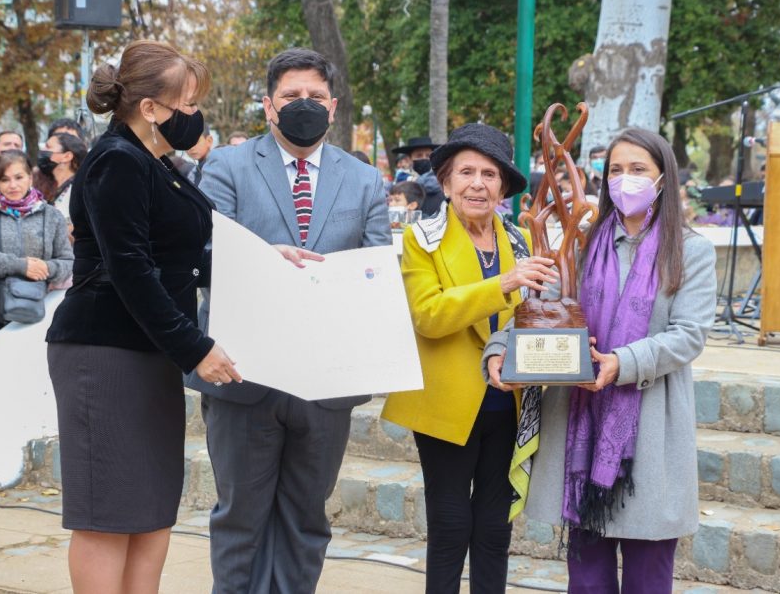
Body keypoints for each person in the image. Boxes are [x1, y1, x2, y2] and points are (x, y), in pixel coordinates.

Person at [45, 40, 241, 593]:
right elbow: (131, 269)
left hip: (149, 351)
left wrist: (266, 259)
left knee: (152, 509)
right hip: (105, 354)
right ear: (150, 108)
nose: (194, 116)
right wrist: (195, 348)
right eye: (186, 104)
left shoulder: (157, 162)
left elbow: (181, 253)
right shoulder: (116, 161)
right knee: (109, 514)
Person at [484, 128, 717, 593]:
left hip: (649, 428)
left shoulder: (690, 250)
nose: (624, 180)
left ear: (663, 179)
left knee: (648, 571)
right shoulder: (581, 243)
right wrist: (501, 350)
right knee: (586, 573)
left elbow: (688, 336)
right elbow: (543, 305)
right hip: (580, 427)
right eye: (615, 170)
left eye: (638, 170)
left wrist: (620, 363)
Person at [194, 47, 390, 593]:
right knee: (240, 519)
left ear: (333, 105)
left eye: (314, 97)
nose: (303, 105)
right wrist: (266, 260)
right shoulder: (228, 166)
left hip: (326, 382)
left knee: (307, 520)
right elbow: (205, 249)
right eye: (290, 96)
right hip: (243, 373)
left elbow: (374, 268)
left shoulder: (364, 179)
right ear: (268, 106)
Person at [380, 123, 557, 594]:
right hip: (446, 405)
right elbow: (430, 316)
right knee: (451, 525)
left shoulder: (520, 239)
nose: (478, 183)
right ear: (445, 182)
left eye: (489, 174)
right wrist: (503, 284)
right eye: (466, 172)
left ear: (503, 186)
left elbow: (540, 313)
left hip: (510, 400)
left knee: (496, 528)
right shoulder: (423, 238)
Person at [0, 150, 72, 350]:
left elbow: (67, 262)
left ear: (30, 177)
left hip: (31, 307)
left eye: (19, 177)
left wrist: (46, 267)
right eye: (5, 179)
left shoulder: (50, 215)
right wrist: (21, 265)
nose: (12, 185)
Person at [37, 132, 87, 225]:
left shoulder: (82, 189)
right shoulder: (41, 183)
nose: (42, 150)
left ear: (67, 156)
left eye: (48, 147)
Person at [392, 136, 447, 217]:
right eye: (419, 155)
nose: (424, 159)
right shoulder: (401, 183)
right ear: (410, 159)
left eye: (428, 155)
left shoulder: (443, 181)